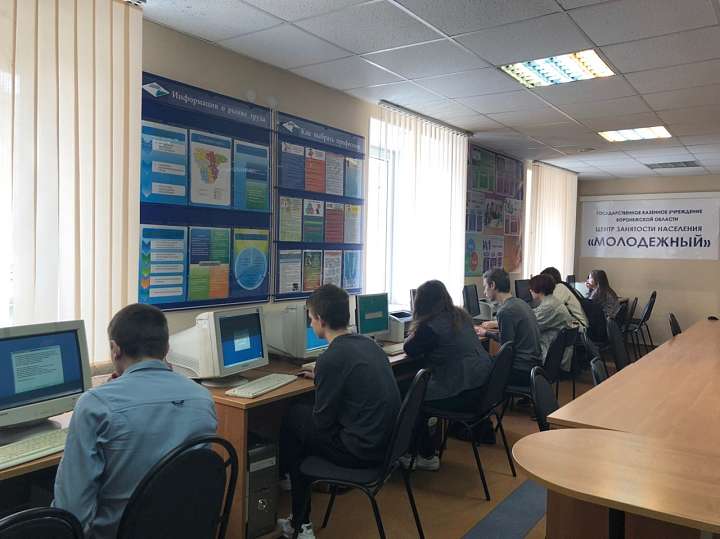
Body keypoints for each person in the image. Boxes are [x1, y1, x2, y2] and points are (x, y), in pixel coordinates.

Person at [53, 304, 217, 539]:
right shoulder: (202, 398)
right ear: (166, 348)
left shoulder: (95, 405)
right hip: (184, 529)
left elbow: (72, 513)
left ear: (114, 349)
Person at [277, 285, 401, 539]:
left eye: (311, 318)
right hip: (386, 446)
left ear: (321, 320)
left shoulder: (331, 358)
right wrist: (322, 377)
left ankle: (300, 521)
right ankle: (291, 488)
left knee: (294, 419)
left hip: (360, 452)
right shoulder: (368, 344)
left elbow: (322, 423)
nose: (311, 323)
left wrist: (324, 375)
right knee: (301, 421)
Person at [402, 280, 494, 470]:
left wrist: (417, 324)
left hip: (461, 390)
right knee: (417, 388)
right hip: (481, 388)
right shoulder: (460, 316)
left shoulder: (431, 326)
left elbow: (409, 348)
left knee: (411, 396)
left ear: (421, 304)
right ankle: (421, 449)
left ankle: (424, 455)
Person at [476, 268, 542, 387]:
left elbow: (506, 350)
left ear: (493, 285)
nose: (484, 292)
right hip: (533, 366)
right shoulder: (521, 303)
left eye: (485, 287)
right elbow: (508, 340)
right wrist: (486, 333)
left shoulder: (505, 311)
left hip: (521, 370)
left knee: (479, 365)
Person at [529, 274, 575, 361]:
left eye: (532, 288)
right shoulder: (552, 301)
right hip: (556, 351)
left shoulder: (549, 307)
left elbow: (531, 326)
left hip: (549, 353)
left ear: (540, 290)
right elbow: (535, 314)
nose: (530, 290)